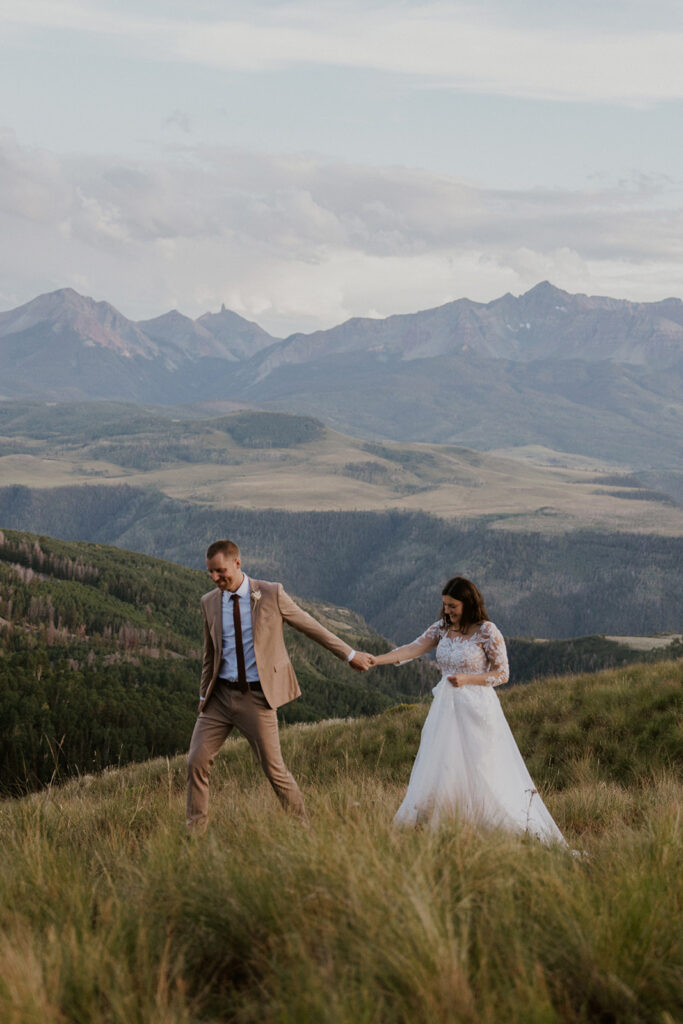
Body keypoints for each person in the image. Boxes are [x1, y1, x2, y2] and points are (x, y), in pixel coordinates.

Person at [186, 539, 373, 831]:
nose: (214, 578)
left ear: (237, 563)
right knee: (195, 761)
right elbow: (210, 654)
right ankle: (193, 834)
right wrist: (202, 697)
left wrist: (350, 654)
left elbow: (312, 626)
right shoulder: (209, 602)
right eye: (209, 572)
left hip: (257, 698)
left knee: (274, 771)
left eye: (219, 571)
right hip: (219, 698)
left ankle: (302, 830)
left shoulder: (270, 593)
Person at [368, 576, 565, 844]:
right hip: (445, 711)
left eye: (453, 606)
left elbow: (503, 673)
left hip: (477, 710)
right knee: (443, 767)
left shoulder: (487, 631)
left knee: (481, 771)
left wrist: (467, 679)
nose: (447, 611)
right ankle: (447, 828)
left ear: (468, 604)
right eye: (445, 606)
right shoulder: (441, 629)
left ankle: (495, 830)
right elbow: (414, 648)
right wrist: (376, 660)